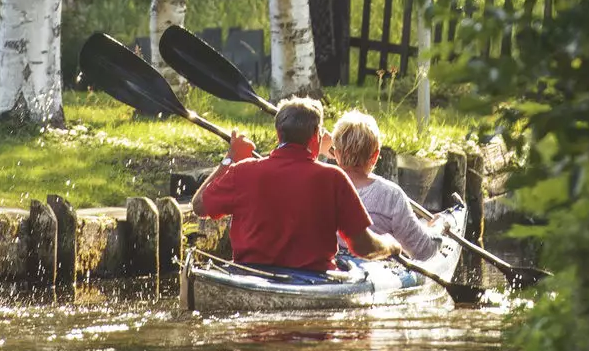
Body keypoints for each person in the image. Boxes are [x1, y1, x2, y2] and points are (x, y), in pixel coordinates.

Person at [192, 95, 401, 273]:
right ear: (316, 136)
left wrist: (230, 158)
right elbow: (363, 247)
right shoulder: (333, 178)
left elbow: (199, 206)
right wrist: (390, 245)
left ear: (278, 134)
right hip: (313, 281)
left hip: (249, 275)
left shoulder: (242, 170)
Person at [328, 109, 466, 263]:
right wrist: (439, 227)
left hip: (328, 267)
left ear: (337, 154)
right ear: (375, 156)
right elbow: (422, 250)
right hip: (374, 268)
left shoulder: (318, 186)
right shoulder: (390, 195)